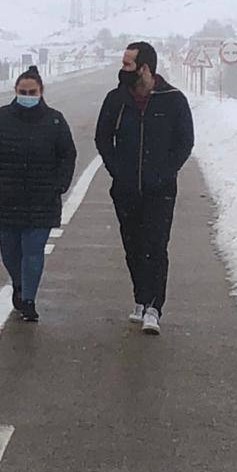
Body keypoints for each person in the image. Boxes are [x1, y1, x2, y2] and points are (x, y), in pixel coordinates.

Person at [94, 41, 194, 335]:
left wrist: (165, 173)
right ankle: (140, 299)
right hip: (125, 190)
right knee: (133, 246)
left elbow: (184, 142)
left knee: (156, 246)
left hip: (160, 191)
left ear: (144, 68)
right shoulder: (116, 99)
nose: (122, 69)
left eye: (127, 64)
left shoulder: (173, 100)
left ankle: (154, 307)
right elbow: (102, 138)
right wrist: (117, 170)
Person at [0, 66, 77, 322]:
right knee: (11, 255)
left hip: (42, 201)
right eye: (23, 91)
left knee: (33, 252)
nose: (28, 95)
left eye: (32, 92)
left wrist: (59, 185)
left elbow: (68, 155)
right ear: (15, 91)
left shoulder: (55, 120)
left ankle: (29, 300)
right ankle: (19, 285)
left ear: (41, 92)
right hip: (6, 200)